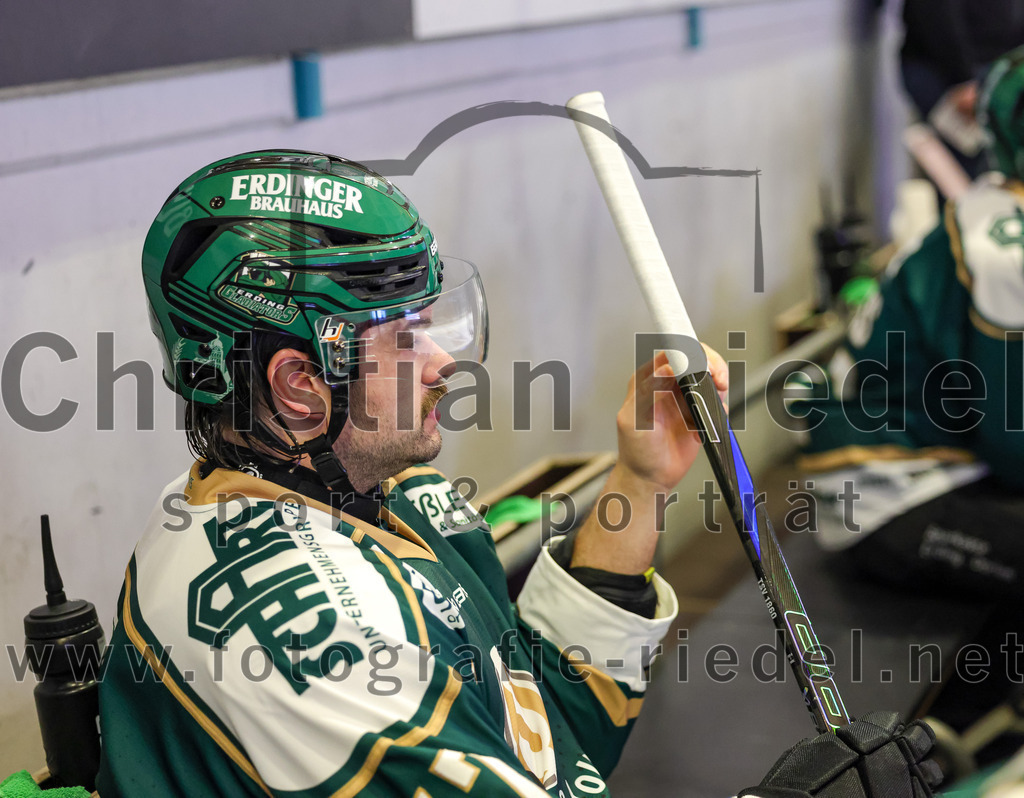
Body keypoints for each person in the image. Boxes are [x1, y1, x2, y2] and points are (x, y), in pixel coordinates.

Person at [96, 150, 941, 796]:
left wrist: (639, 482)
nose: (440, 362)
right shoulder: (302, 636)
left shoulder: (392, 500)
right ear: (298, 382)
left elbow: (541, 723)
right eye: (399, 333)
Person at [798, 47, 1024, 600]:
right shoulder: (1005, 248)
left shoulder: (999, 207)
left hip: (947, 460)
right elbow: (1014, 437)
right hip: (886, 492)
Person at [898, 0, 1024, 180]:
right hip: (941, 68)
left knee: (1003, 165)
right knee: (964, 170)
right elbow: (937, 15)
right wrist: (967, 80)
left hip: (999, 66)